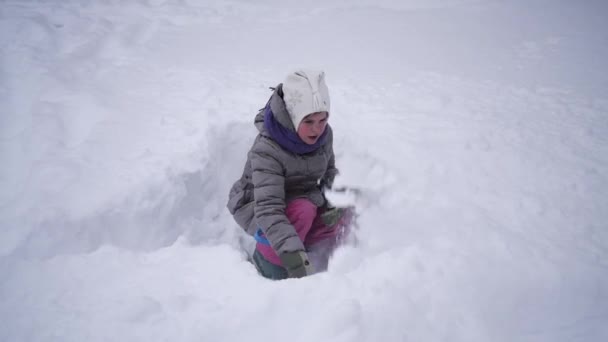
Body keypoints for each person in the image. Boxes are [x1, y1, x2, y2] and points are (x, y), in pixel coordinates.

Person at [226, 69, 352, 280]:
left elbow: (329, 171)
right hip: (259, 204)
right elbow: (268, 209)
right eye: (309, 122)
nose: (317, 129)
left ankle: (314, 251)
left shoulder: (324, 135)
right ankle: (269, 263)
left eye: (322, 120)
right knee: (302, 211)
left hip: (301, 197)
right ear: (293, 117)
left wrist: (335, 199)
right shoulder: (268, 150)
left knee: (343, 208)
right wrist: (295, 260)